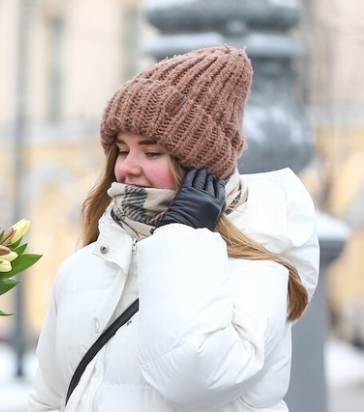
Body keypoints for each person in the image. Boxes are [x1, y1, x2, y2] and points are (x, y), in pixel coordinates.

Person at [29, 45, 320, 412]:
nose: (128, 168)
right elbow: (47, 400)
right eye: (121, 149)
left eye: (151, 153)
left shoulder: (258, 269)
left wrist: (180, 237)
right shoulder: (81, 269)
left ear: (200, 170)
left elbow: (195, 377)